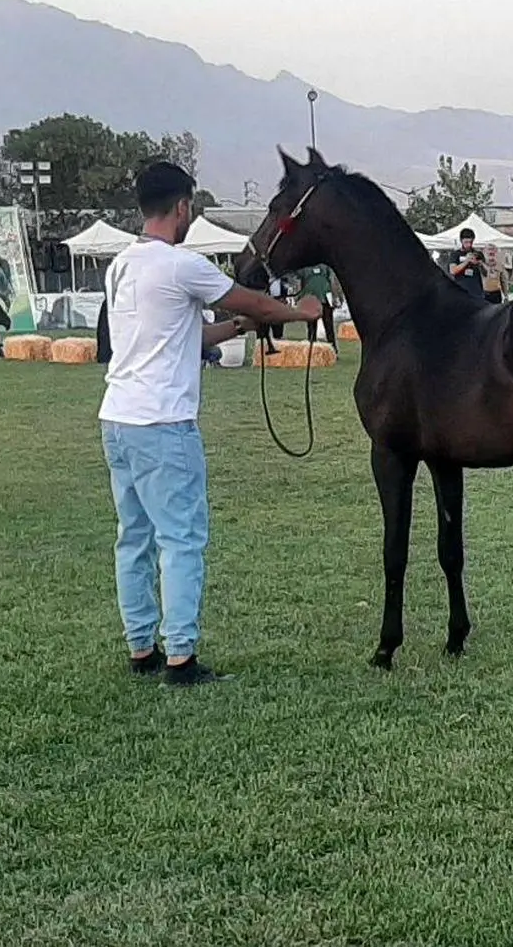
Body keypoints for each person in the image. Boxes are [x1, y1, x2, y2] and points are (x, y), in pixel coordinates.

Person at [99, 161, 322, 686]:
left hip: (118, 418)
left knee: (134, 537)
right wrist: (300, 311)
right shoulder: (182, 266)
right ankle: (181, 656)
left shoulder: (121, 267)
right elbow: (254, 300)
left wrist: (233, 329)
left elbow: (184, 336)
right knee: (182, 538)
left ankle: (141, 646)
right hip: (164, 422)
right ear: (182, 206)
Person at [296, 264, 338, 350]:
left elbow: (332, 281)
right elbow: (299, 283)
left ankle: (333, 349)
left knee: (326, 326)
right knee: (314, 327)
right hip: (312, 299)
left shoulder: (325, 266)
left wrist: (334, 297)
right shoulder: (304, 267)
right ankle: (313, 349)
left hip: (324, 299)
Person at [447, 227, 486, 300]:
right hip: (461, 292)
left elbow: (486, 273)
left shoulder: (478, 253)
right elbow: (453, 271)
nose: (468, 245)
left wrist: (480, 264)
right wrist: (467, 261)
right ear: (461, 241)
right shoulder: (455, 254)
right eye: (466, 242)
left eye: (470, 242)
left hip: (477, 292)